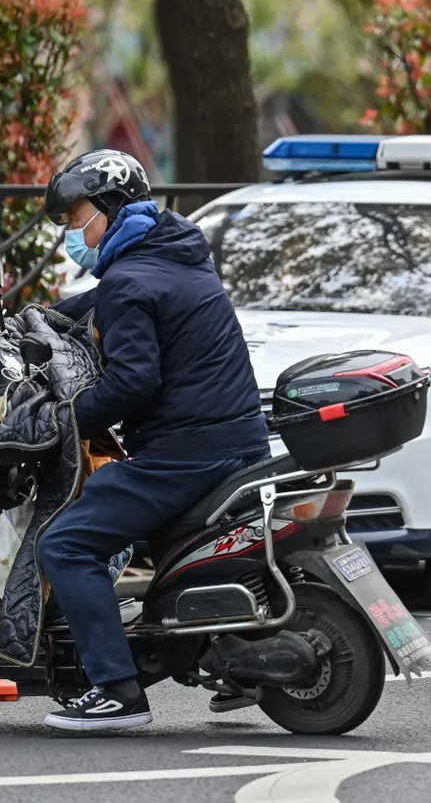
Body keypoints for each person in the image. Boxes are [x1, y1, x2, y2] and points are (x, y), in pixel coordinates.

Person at [35, 149, 270, 732]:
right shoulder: (177, 253)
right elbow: (111, 302)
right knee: (175, 553)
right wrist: (40, 317)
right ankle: (235, 666)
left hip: (184, 453)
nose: (71, 230)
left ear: (109, 210)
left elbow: (133, 381)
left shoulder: (130, 278)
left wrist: (67, 420)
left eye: (75, 215)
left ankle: (117, 690)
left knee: (66, 544)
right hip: (239, 443)